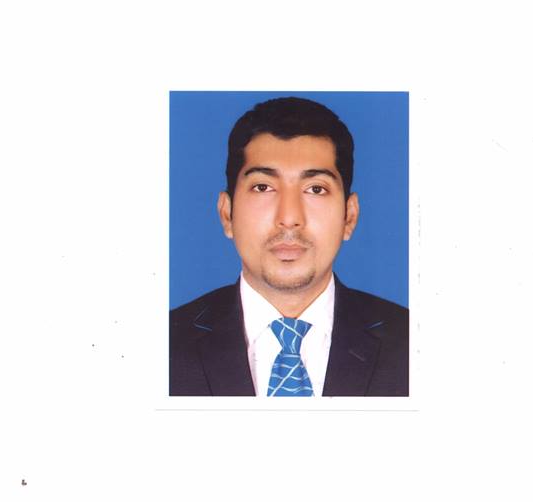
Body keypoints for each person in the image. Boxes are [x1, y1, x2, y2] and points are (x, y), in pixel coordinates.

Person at [169, 97, 408, 396]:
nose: (289, 218)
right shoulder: (161, 344)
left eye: (315, 189)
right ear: (227, 213)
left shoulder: (414, 344)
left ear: (349, 216)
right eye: (263, 187)